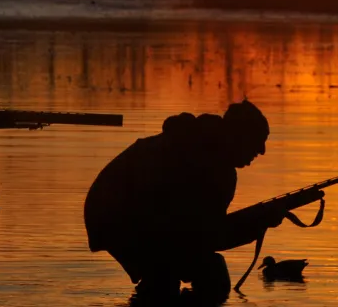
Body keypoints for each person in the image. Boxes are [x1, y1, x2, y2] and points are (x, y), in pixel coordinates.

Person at [84, 100, 308, 303]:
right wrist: (258, 223)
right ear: (239, 136)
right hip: (117, 216)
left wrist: (257, 222)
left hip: (120, 213)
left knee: (187, 270)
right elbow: (208, 235)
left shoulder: (204, 147)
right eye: (258, 141)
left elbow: (203, 231)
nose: (261, 150)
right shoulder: (208, 162)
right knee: (183, 275)